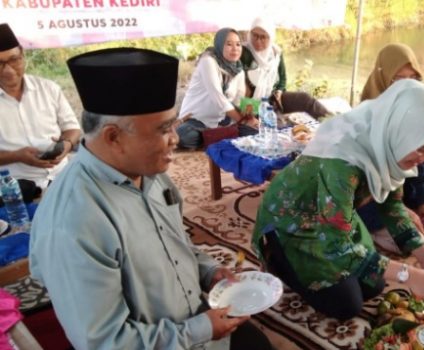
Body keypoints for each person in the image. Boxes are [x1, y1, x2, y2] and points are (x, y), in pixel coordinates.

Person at [29, 48, 272, 350]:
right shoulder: (73, 223)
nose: (177, 138)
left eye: (173, 124)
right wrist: (200, 330)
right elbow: (104, 342)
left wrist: (209, 271)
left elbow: (175, 245)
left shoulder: (152, 176)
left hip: (200, 328)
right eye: (163, 129)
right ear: (113, 137)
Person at [252, 79, 424, 320]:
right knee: (347, 305)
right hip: (293, 222)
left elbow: (391, 205)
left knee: (374, 285)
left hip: (332, 215)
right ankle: (280, 261)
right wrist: (408, 275)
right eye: (422, 148)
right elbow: (337, 245)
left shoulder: (386, 140)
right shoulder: (341, 161)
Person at [358, 42, 424, 250]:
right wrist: (398, 208)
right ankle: (366, 228)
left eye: (413, 78)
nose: (407, 85)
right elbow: (364, 180)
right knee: (408, 242)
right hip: (370, 197)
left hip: (405, 190)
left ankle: (401, 219)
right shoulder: (365, 116)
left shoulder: (416, 106)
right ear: (383, 77)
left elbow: (423, 161)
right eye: (399, 79)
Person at [0, 23, 80, 202]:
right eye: (0, 63)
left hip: (63, 179)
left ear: (22, 54)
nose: (8, 70)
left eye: (14, 59)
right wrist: (16, 156)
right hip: (14, 191)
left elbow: (72, 128)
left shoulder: (48, 88)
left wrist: (66, 144)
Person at [177, 28, 257, 149]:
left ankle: (215, 136)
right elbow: (218, 97)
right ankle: (223, 136)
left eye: (238, 44)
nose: (235, 48)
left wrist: (250, 117)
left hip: (222, 122)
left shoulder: (238, 70)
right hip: (196, 119)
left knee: (256, 131)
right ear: (219, 45)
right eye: (229, 44)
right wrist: (243, 121)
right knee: (183, 136)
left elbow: (238, 101)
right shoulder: (207, 61)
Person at [241, 17, 330, 118]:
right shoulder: (242, 53)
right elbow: (240, 89)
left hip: (274, 98)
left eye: (263, 37)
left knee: (305, 99)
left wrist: (279, 91)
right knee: (267, 124)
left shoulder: (276, 53)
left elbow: (282, 79)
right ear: (249, 34)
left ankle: (335, 122)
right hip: (251, 102)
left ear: (270, 37)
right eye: (255, 35)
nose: (258, 41)